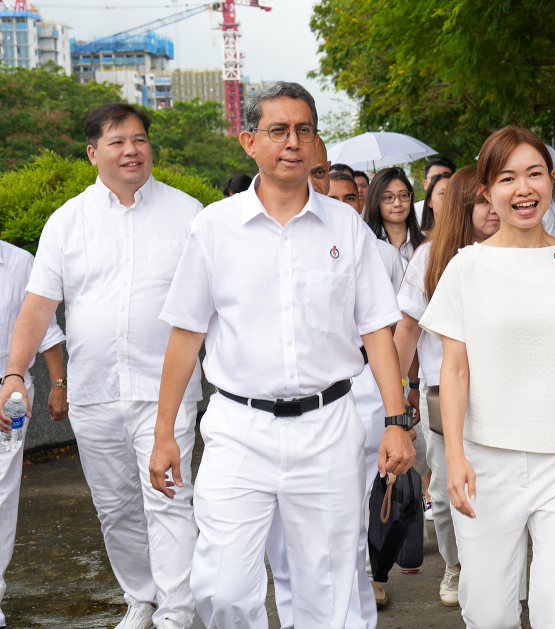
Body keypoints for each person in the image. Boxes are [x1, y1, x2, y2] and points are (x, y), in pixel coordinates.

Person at [148, 81, 416, 628]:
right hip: (239, 429)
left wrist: (396, 421)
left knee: (327, 586)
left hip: (328, 428)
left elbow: (376, 332)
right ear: (249, 141)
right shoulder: (214, 229)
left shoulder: (346, 228)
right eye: (278, 131)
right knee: (221, 587)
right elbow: (185, 336)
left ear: (317, 143)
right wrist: (162, 434)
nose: (292, 143)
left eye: (304, 131)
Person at [0, 102, 205, 629]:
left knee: (169, 498)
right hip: (95, 393)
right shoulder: (67, 221)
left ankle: (178, 614)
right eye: (117, 142)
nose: (131, 150)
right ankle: (143, 597)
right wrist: (15, 373)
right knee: (115, 509)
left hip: (167, 390)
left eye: (139, 139)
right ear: (93, 153)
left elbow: (217, 304)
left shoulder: (189, 215)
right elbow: (38, 306)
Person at [419, 125, 555, 628]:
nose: (523, 188)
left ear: (552, 181)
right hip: (485, 460)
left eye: (534, 173)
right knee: (488, 609)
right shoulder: (467, 267)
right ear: (487, 190)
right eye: (508, 177)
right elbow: (455, 366)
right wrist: (454, 457)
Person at [394, 165, 499, 608]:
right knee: (445, 490)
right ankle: (456, 568)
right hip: (445, 397)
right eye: (483, 201)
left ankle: (502, 574)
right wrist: (397, 397)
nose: (494, 209)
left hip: (505, 394)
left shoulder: (516, 252)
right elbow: (406, 332)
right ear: (462, 205)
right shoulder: (430, 257)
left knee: (501, 489)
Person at [0, 240, 67, 628]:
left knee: (2, 496)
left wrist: (58, 383)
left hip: (13, 397)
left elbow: (44, 327)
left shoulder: (20, 262)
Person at [364, 167, 427, 264]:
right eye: (388, 197)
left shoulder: (426, 245)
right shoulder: (367, 245)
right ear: (375, 202)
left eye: (403, 195)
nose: (397, 203)